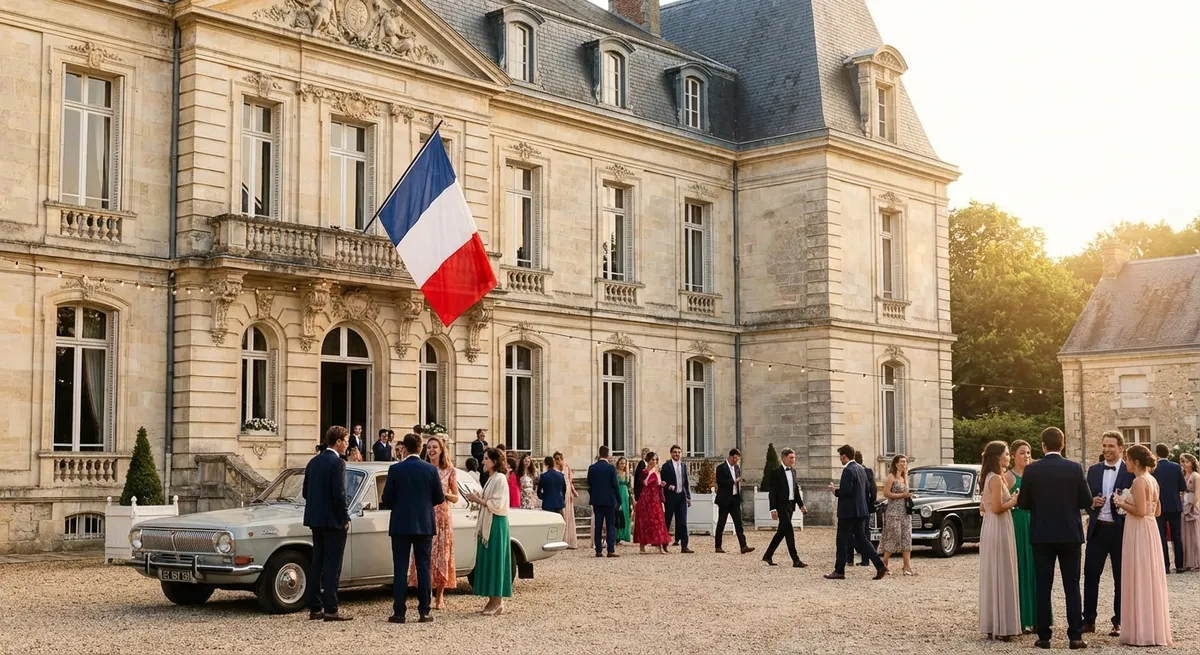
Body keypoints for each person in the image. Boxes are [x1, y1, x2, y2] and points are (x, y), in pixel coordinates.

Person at [1015, 427, 1092, 650]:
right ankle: (1075, 636)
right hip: (1069, 533)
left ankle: (1044, 636)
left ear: (1042, 445)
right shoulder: (1075, 468)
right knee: (1072, 585)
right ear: (1063, 444)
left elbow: (1024, 503)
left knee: (1043, 586)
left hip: (1042, 533)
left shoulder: (1032, 470)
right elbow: (1086, 500)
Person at [380, 432, 444, 624]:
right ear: (421, 448)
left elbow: (387, 498)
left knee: (400, 567)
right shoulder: (430, 469)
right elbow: (439, 497)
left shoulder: (395, 469)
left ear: (404, 448)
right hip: (423, 522)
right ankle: (424, 611)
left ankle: (399, 612)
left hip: (401, 522)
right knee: (423, 567)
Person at [1114, 445, 1173, 647]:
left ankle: (1140, 631)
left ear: (1136, 462)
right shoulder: (1152, 480)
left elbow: (1139, 511)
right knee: (1149, 575)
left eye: (1128, 459)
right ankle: (1151, 627)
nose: (1126, 463)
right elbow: (1157, 512)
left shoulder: (1139, 481)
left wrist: (1121, 502)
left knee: (1139, 574)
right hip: (1150, 528)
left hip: (1139, 529)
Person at [1082, 431, 1133, 638]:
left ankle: (1119, 621)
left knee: (1121, 577)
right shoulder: (1094, 470)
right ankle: (1089, 620)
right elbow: (1085, 499)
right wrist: (1091, 503)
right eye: (1104, 445)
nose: (1106, 449)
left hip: (1121, 530)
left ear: (1121, 448)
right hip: (1098, 529)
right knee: (1090, 575)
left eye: (1111, 446)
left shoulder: (1130, 472)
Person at [301, 425, 353, 622]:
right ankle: (331, 608)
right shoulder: (338, 463)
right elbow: (339, 494)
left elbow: (305, 492)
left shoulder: (313, 462)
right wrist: (344, 517)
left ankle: (315, 607)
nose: (347, 445)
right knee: (332, 565)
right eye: (345, 441)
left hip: (316, 518)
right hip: (333, 520)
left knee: (317, 562)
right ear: (338, 442)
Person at [406, 435, 458, 611]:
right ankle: (425, 595)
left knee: (441, 555)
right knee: (425, 556)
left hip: (442, 517)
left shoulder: (450, 470)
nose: (432, 450)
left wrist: (444, 495)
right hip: (425, 515)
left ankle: (440, 596)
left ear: (442, 449)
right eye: (429, 447)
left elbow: (456, 497)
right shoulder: (424, 468)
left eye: (435, 447)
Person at [978, 441, 1021, 642]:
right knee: (1002, 571)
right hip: (998, 525)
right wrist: (1013, 501)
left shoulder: (990, 477)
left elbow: (983, 507)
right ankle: (1002, 625)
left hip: (992, 525)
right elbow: (996, 508)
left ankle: (993, 624)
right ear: (998, 457)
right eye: (1006, 454)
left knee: (996, 572)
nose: (1009, 457)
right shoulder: (995, 479)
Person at [826, 444, 886, 580]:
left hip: (848, 512)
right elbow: (865, 490)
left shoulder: (848, 470)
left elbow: (846, 492)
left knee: (842, 540)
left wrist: (835, 490)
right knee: (863, 539)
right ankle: (880, 565)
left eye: (840, 457)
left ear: (844, 456)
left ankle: (839, 570)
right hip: (861, 510)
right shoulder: (861, 469)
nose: (840, 459)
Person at [463, 448, 512, 616]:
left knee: (495, 560)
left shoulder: (500, 478)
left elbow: (497, 503)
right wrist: (478, 497)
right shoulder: (492, 478)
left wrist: (478, 499)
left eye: (486, 459)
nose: (483, 462)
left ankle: (497, 601)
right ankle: (493, 599)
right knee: (489, 559)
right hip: (490, 522)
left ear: (494, 461)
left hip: (496, 523)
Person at [1007, 440, 1044, 634]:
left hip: (1034, 521)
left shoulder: (1034, 474)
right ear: (1013, 455)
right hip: (1018, 522)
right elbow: (1001, 501)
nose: (1026, 456)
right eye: (1022, 453)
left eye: (1028, 452)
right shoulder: (1008, 476)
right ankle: (1022, 617)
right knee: (1022, 567)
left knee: (1037, 569)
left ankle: (1039, 618)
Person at [763, 447, 806, 567]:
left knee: (781, 532)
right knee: (789, 532)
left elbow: (795, 491)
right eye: (791, 458)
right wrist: (773, 509)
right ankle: (796, 560)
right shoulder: (775, 473)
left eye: (794, 458)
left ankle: (768, 555)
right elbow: (772, 493)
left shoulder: (793, 472)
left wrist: (801, 505)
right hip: (781, 507)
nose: (793, 460)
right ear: (783, 458)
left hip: (791, 506)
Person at [1151, 442, 1187, 574]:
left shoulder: (1154, 469)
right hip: (1174, 505)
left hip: (1160, 506)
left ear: (1157, 454)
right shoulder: (1176, 467)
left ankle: (1165, 566)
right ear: (1168, 453)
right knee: (1177, 536)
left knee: (1162, 537)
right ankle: (1180, 565)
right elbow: (1183, 487)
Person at [880, 454, 914, 575]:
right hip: (893, 511)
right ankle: (884, 564)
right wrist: (901, 495)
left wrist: (909, 495)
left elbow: (906, 492)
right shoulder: (891, 477)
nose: (904, 464)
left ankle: (907, 567)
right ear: (896, 464)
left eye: (905, 462)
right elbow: (886, 493)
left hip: (905, 511)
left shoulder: (905, 477)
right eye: (901, 461)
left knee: (906, 537)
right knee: (893, 536)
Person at [715, 448, 753, 554]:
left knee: (738, 523)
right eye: (735, 458)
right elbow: (720, 482)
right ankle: (718, 546)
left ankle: (743, 546)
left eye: (738, 459)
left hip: (735, 498)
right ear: (730, 457)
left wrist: (739, 482)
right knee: (721, 523)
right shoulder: (720, 468)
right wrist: (734, 481)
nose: (736, 460)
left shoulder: (737, 468)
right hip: (724, 499)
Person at [633, 452, 671, 553]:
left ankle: (660, 546)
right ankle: (642, 546)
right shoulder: (644, 471)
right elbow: (643, 483)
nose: (654, 461)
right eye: (652, 460)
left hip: (655, 499)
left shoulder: (657, 472)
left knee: (658, 521)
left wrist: (661, 485)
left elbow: (657, 485)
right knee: (645, 521)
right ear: (648, 460)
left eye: (655, 460)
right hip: (646, 499)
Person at [587, 446, 620, 558]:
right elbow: (615, 485)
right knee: (610, 526)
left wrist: (593, 495)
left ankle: (598, 550)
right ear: (608, 454)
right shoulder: (611, 468)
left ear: (599, 454)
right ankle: (610, 550)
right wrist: (619, 500)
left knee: (598, 526)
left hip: (597, 500)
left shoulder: (592, 468)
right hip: (609, 500)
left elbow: (589, 484)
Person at [659, 445, 693, 553]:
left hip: (681, 496)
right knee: (667, 520)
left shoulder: (683, 466)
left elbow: (686, 482)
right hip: (670, 497)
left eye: (678, 452)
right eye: (675, 452)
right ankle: (664, 544)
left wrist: (688, 497)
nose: (677, 454)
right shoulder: (666, 466)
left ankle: (684, 546)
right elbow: (662, 482)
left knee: (683, 522)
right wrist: (668, 486)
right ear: (671, 453)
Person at [848, 450, 878, 567]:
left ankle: (850, 559)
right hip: (865, 506)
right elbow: (873, 490)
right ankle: (865, 559)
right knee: (864, 533)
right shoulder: (867, 471)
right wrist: (870, 503)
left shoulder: (851, 470)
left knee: (852, 532)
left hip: (855, 507)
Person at [554, 452, 578, 549]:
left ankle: (569, 540)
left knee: (568, 515)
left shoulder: (567, 467)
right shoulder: (554, 468)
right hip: (559, 491)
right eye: (557, 458)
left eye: (560, 458)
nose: (559, 460)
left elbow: (570, 481)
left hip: (567, 492)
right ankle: (561, 539)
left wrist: (573, 492)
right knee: (562, 514)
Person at [1180, 453, 1200, 571]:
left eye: (1187, 461)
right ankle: (1187, 561)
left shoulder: (1195, 475)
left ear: (1192, 462)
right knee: (1185, 533)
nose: (1184, 464)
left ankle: (1197, 561)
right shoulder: (1182, 475)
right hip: (1183, 504)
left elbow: (1197, 493)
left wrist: (1193, 506)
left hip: (1193, 505)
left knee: (1194, 533)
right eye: (1182, 461)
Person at [615, 457, 633, 544]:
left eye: (624, 463)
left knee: (625, 515)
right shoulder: (615, 473)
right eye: (621, 463)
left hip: (626, 495)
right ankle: (616, 536)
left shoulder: (627, 474)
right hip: (618, 494)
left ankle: (623, 535)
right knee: (617, 514)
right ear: (618, 463)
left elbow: (630, 487)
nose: (623, 465)